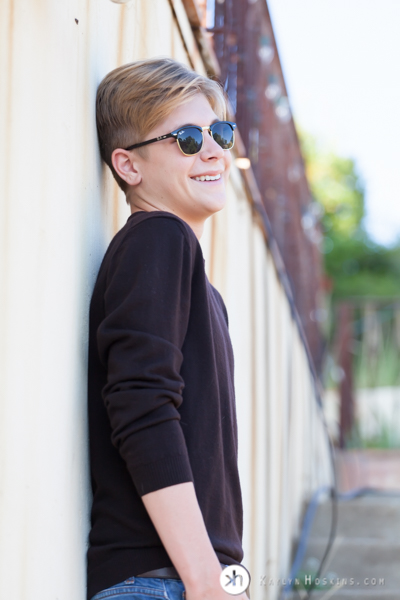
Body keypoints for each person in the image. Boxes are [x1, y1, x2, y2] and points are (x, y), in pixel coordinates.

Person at [87, 57, 249, 600]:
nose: (213, 151)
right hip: (163, 582)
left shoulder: (202, 289)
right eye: (185, 139)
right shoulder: (160, 237)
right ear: (128, 167)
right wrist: (205, 579)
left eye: (219, 132)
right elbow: (141, 405)